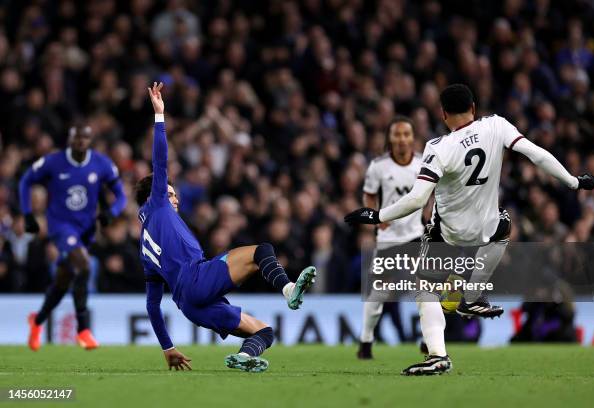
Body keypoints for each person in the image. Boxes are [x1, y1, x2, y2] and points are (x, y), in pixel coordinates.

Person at [345, 84, 594, 375]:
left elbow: (416, 200)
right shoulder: (497, 125)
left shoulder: (438, 148)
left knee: (425, 290)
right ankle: (473, 292)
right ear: (474, 108)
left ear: (443, 114)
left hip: (449, 233)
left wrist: (377, 216)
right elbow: (536, 154)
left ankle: (437, 355)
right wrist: (574, 182)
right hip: (488, 230)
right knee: (505, 225)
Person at [137, 82, 316, 373]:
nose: (175, 198)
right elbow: (160, 160)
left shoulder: (143, 248)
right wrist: (160, 116)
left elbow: (152, 306)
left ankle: (244, 358)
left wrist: (168, 347)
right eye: (170, 193)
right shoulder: (156, 204)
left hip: (190, 306)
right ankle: (288, 288)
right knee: (262, 251)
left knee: (264, 331)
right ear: (154, 195)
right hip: (197, 278)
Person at [21, 123, 127, 351]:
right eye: (76, 137)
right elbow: (25, 181)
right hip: (60, 226)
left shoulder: (102, 164)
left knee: (63, 280)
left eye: (85, 138)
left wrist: (112, 212)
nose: (80, 142)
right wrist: (28, 214)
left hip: (85, 231)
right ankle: (83, 329)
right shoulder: (53, 162)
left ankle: (37, 321)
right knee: (85, 266)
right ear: (70, 139)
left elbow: (121, 196)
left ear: (90, 140)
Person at [357, 116, 424, 359]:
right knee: (377, 296)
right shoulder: (378, 166)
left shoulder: (422, 164)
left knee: (425, 290)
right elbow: (369, 194)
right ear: (390, 138)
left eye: (406, 134)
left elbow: (433, 192)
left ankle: (429, 340)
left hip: (416, 236)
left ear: (413, 138)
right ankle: (365, 341)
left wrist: (429, 216)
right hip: (388, 240)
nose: (402, 139)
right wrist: (376, 217)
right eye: (397, 134)